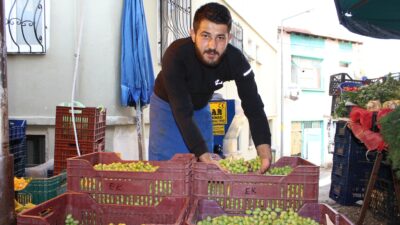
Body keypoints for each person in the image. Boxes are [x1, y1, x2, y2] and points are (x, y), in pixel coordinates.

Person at [148, 2, 272, 173]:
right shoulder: (175, 55)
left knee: (206, 169)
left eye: (220, 37)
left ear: (229, 38)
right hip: (168, 107)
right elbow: (182, 111)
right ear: (193, 35)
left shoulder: (237, 62)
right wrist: (201, 153)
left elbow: (254, 106)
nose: (212, 46)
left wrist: (264, 151)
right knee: (169, 169)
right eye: (205, 36)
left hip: (200, 106)